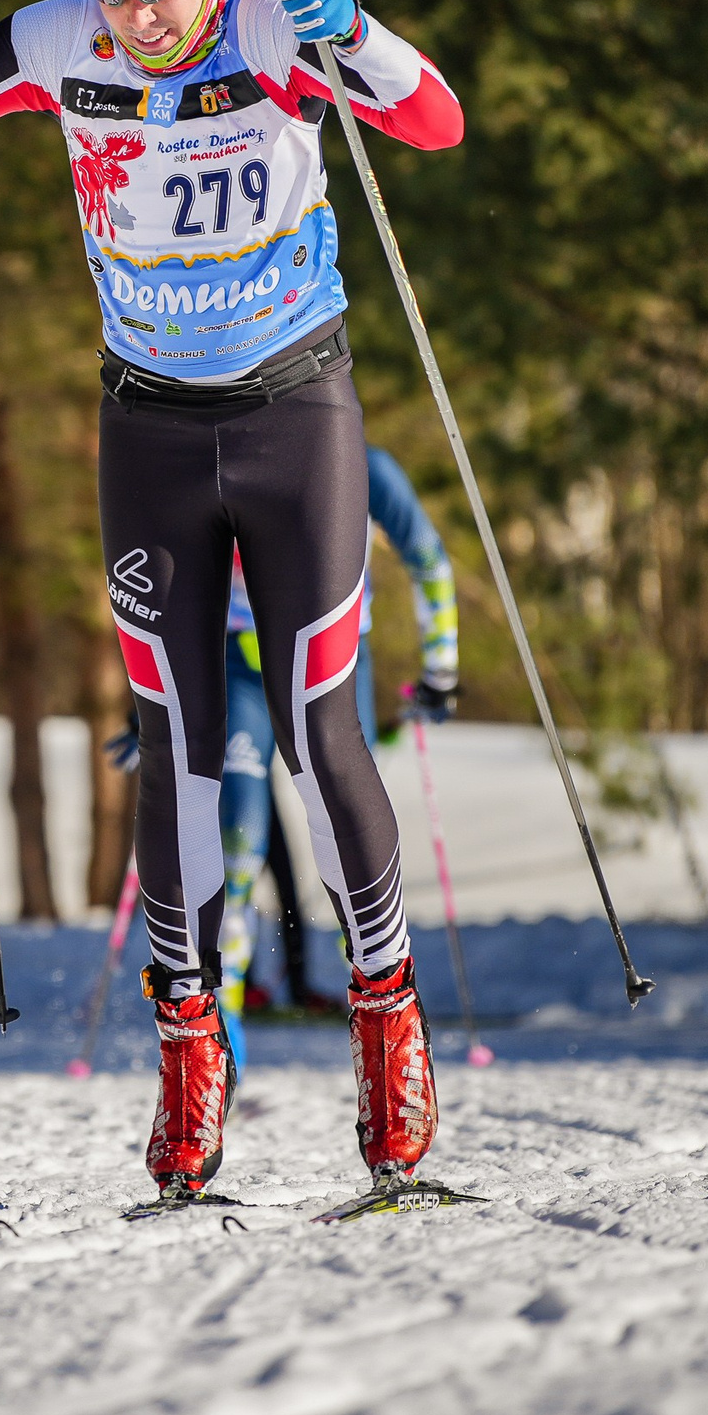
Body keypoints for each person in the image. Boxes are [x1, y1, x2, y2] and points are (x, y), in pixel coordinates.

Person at [0, 0, 465, 1202]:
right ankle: (188, 1042)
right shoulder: (61, 46)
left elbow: (434, 121)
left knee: (315, 721)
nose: (134, 11)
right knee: (173, 735)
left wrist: (355, 31)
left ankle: (389, 1022)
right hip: (153, 430)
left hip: (299, 412)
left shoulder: (272, 29)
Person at [218, 443, 460, 1067]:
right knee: (239, 838)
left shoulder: (363, 463)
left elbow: (426, 555)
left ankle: (384, 1015)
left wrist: (442, 668)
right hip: (238, 662)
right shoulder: (223, 455)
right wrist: (157, 704)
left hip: (332, 660)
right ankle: (222, 1035)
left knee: (348, 836)